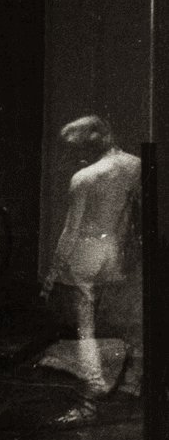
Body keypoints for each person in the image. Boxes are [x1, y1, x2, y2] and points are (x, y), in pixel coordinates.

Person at [41, 115, 142, 418]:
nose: (75, 154)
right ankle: (132, 383)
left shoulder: (84, 178)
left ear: (96, 138)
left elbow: (71, 231)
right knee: (132, 323)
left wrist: (51, 276)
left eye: (76, 147)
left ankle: (91, 396)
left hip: (87, 253)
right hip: (115, 250)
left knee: (86, 329)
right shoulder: (135, 165)